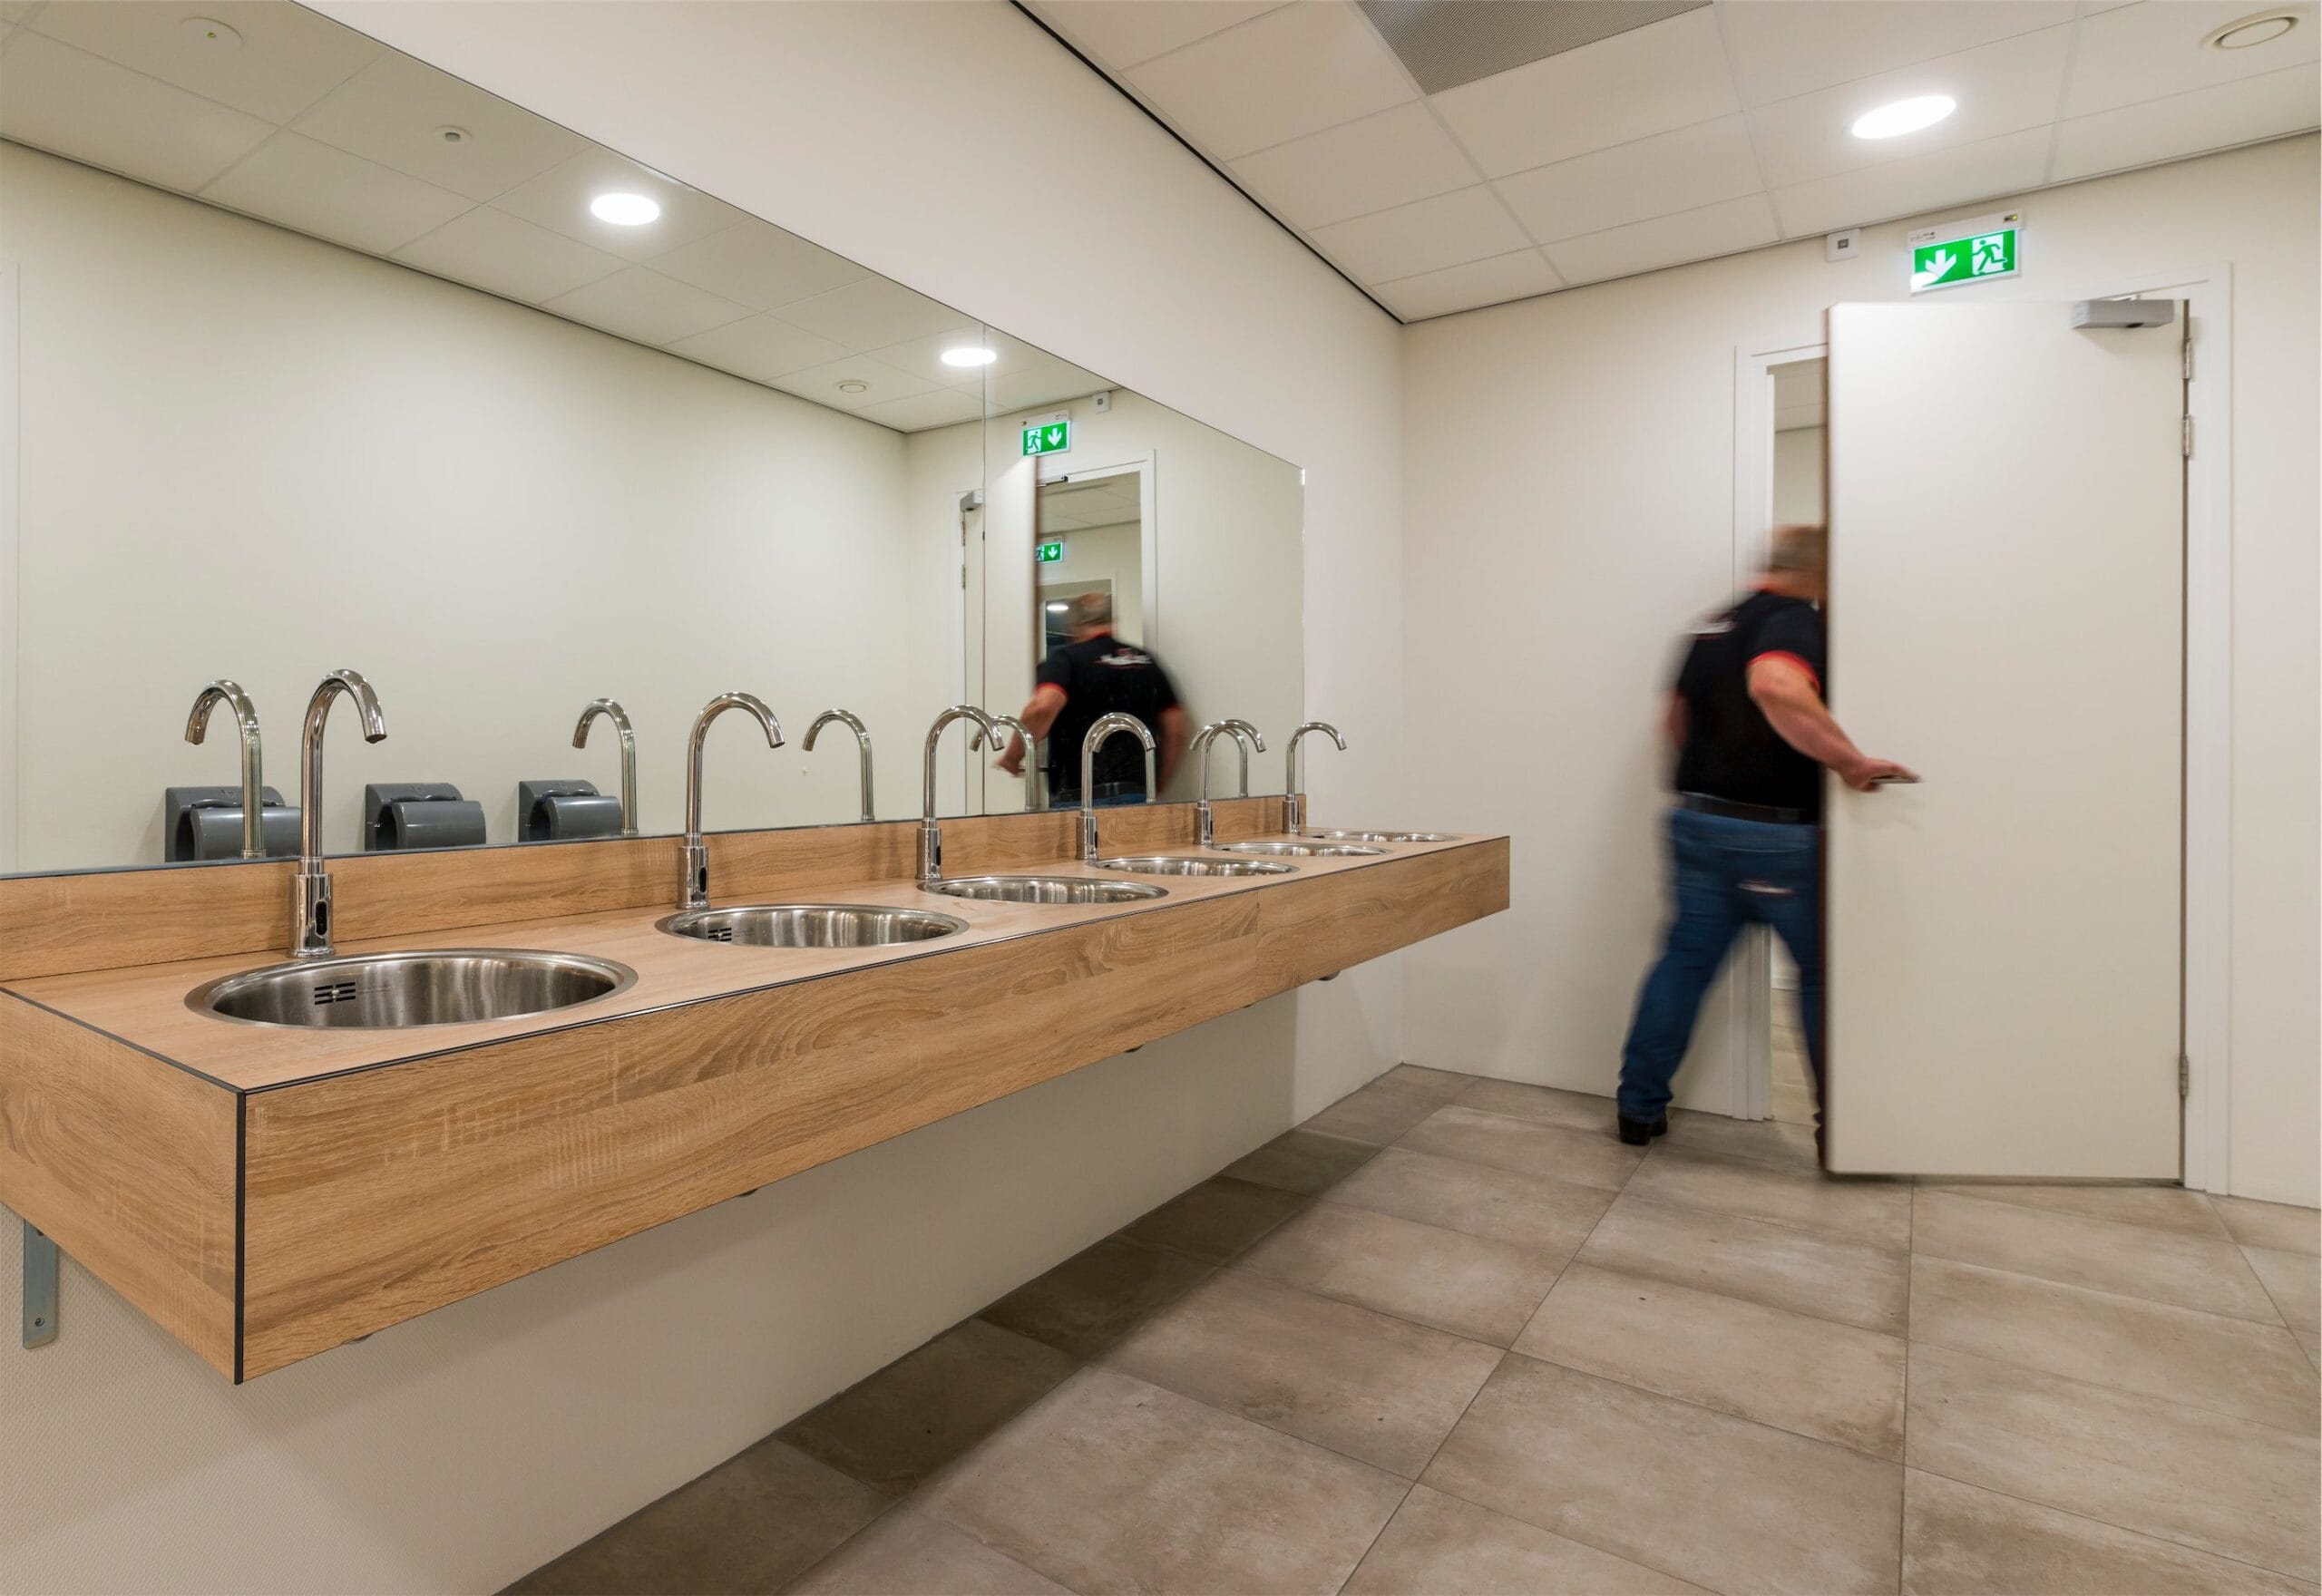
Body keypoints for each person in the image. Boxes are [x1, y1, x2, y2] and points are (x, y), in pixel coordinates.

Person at [1614, 523, 1914, 1146]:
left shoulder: (1710, 626)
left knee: (1683, 966)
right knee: (1820, 976)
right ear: (1819, 571)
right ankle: (1841, 1131)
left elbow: (1675, 723)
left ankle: (1638, 1110)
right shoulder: (1794, 619)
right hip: (1774, 838)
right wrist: (1850, 762)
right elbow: (1774, 682)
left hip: (1697, 825)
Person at [997, 592, 1187, 806]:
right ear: (1112, 621)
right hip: (1136, 794)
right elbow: (1176, 730)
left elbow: (1043, 706)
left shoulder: (1067, 659)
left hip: (1080, 798)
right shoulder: (1146, 662)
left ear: (1075, 626)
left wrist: (1013, 756)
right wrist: (1157, 786)